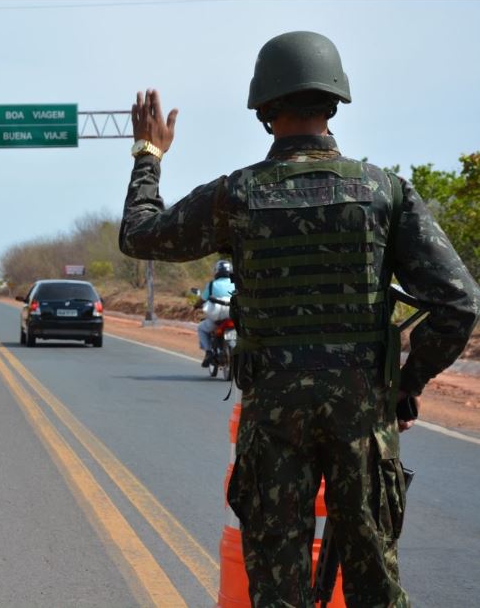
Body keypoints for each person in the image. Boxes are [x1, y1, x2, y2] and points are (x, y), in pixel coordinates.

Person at [119, 31, 480, 608]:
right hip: (362, 417)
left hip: (274, 416)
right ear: (334, 104)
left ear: (264, 111)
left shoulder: (235, 195)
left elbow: (139, 235)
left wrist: (148, 156)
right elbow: (460, 302)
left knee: (276, 590)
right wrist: (404, 388)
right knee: (374, 588)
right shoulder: (385, 192)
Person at [196, 259, 236, 367]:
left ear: (217, 272)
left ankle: (208, 352)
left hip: (217, 318)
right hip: (234, 317)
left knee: (201, 328)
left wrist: (196, 305)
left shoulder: (211, 285)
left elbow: (202, 300)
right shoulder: (236, 284)